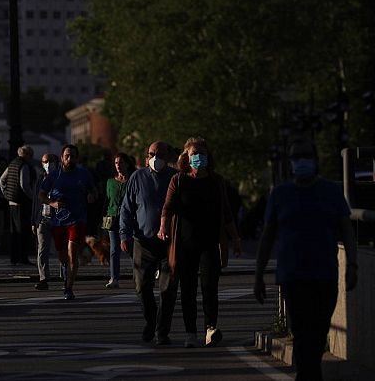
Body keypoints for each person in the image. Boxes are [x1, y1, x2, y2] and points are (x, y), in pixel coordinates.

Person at [254, 137, 358, 381]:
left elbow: (347, 230)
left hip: (324, 275)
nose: (302, 161)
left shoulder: (330, 192)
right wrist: (259, 276)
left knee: (318, 333)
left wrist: (352, 264)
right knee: (302, 333)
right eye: (297, 157)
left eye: (306, 156)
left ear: (315, 160)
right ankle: (309, 376)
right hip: (294, 276)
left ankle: (310, 374)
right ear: (291, 162)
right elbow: (267, 238)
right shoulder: (281, 194)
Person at [159, 137, 242, 348]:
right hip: (185, 244)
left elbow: (226, 212)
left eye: (202, 154)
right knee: (188, 289)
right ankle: (190, 333)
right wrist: (163, 228)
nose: (199, 158)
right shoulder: (178, 180)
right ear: (186, 157)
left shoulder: (216, 181)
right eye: (194, 154)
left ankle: (210, 327)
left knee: (209, 286)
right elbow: (167, 208)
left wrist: (235, 238)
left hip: (210, 242)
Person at [118, 141, 177, 344]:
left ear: (168, 156)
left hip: (169, 243)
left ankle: (162, 331)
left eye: (160, 154)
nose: (156, 158)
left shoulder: (175, 178)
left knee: (168, 290)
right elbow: (126, 208)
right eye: (152, 154)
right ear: (146, 156)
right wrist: (124, 235)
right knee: (142, 287)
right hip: (143, 242)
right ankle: (151, 322)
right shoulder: (137, 177)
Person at [38, 144, 96, 300]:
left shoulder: (84, 174)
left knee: (72, 253)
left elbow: (94, 191)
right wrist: (52, 203)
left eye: (73, 156)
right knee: (62, 256)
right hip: (58, 220)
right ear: (62, 158)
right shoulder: (54, 175)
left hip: (77, 219)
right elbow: (41, 194)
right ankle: (66, 274)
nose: (70, 159)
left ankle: (69, 287)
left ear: (77, 158)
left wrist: (91, 196)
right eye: (67, 156)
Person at [0, 145, 37, 265]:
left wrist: (6, 193)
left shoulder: (12, 164)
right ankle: (23, 258)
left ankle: (14, 258)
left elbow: (1, 180)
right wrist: (33, 197)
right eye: (30, 155)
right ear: (26, 155)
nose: (31, 158)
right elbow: (24, 185)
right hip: (22, 202)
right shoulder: (24, 166)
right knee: (23, 231)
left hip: (12, 203)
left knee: (14, 231)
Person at [103, 152, 135, 289]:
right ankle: (114, 278)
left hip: (129, 219)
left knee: (131, 249)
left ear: (127, 164)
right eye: (116, 163)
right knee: (114, 249)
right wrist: (103, 221)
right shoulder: (110, 182)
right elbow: (107, 201)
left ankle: (138, 275)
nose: (118, 166)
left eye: (121, 162)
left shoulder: (133, 180)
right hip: (112, 218)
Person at [31, 153, 59, 290]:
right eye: (44, 161)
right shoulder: (40, 178)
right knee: (42, 250)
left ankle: (65, 276)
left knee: (61, 248)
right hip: (42, 217)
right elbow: (35, 201)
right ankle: (43, 278)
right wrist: (33, 221)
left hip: (58, 218)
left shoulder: (60, 178)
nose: (47, 164)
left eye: (49, 161)